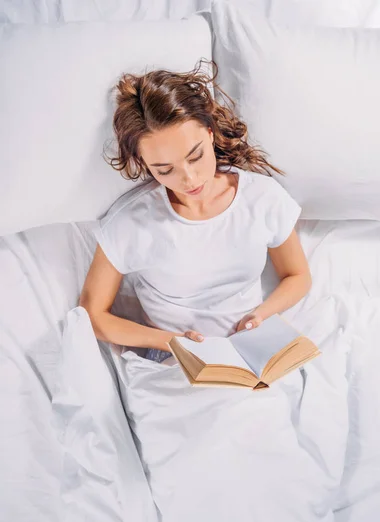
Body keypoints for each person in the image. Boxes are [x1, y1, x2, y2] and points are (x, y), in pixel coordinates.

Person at [79, 61, 311, 363]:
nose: (188, 179)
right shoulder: (132, 221)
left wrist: (259, 317)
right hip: (174, 363)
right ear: (144, 163)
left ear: (210, 132)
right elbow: (92, 314)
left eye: (196, 156)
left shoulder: (261, 197)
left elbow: (298, 275)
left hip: (251, 351)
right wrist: (172, 342)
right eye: (165, 169)